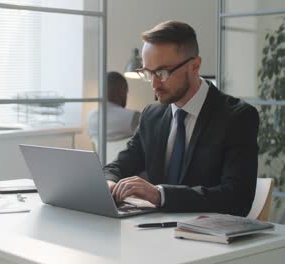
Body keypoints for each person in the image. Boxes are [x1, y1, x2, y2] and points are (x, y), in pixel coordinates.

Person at [105, 21, 259, 216]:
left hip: (208, 240)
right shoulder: (151, 115)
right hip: (154, 232)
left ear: (195, 66)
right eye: (148, 72)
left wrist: (160, 194)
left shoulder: (237, 118)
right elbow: (117, 167)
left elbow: (237, 199)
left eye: (162, 72)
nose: (154, 84)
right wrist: (109, 184)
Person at [87, 71, 140, 141]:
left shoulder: (90, 117)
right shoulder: (134, 117)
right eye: (126, 91)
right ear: (121, 91)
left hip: (101, 152)